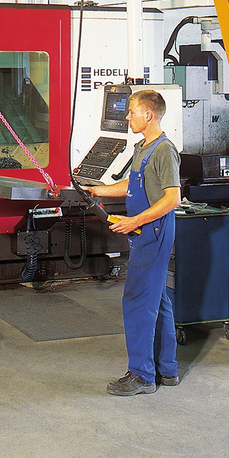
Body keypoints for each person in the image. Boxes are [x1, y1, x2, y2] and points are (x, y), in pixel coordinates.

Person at [89, 89, 181, 396]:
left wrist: (135, 221)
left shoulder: (164, 150)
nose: (127, 117)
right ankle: (167, 370)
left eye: (132, 112)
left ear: (149, 115)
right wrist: (98, 190)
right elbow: (133, 184)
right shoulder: (144, 147)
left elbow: (172, 198)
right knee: (158, 300)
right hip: (145, 232)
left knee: (138, 300)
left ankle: (142, 376)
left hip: (153, 232)